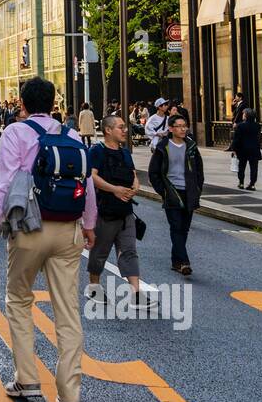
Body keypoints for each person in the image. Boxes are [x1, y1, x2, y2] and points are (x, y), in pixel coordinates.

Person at [0, 78, 96, 402]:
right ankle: (71, 395)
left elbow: (1, 182)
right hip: (69, 230)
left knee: (18, 299)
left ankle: (27, 378)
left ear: (23, 103)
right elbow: (86, 183)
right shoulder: (72, 136)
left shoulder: (16, 133)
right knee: (67, 310)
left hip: (29, 227)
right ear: (52, 102)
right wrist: (89, 225)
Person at [86, 115, 149, 307]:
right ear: (108, 130)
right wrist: (115, 189)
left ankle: (136, 293)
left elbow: (133, 175)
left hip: (125, 212)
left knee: (129, 251)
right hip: (104, 210)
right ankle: (94, 287)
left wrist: (135, 187)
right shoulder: (97, 151)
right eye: (121, 127)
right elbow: (91, 177)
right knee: (100, 252)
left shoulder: (125, 153)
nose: (125, 130)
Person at [148, 114, 204, 276]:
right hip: (172, 192)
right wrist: (163, 191)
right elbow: (154, 173)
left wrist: (198, 188)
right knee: (176, 227)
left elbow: (199, 170)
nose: (183, 128)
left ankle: (176, 261)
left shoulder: (191, 146)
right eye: (179, 126)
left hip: (190, 192)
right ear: (171, 129)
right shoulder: (162, 147)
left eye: (184, 125)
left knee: (184, 229)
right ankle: (184, 262)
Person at [231, 109, 262, 190]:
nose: (242, 115)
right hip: (254, 149)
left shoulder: (240, 126)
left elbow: (236, 139)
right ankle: (252, 184)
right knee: (254, 167)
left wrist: (234, 149)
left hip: (242, 149)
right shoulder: (257, 126)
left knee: (241, 166)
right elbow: (259, 138)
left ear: (246, 116)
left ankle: (241, 183)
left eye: (243, 114)